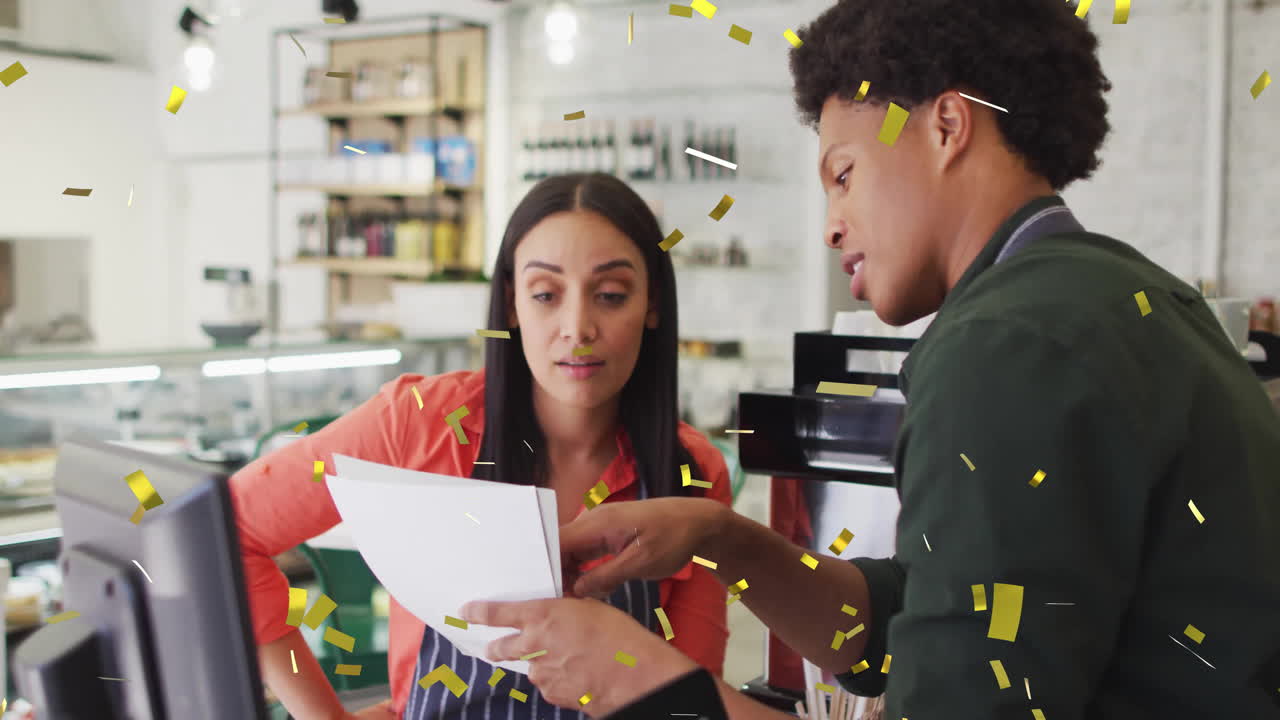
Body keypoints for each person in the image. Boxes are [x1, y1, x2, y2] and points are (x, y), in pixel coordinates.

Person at [459, 1, 1280, 718]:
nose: (831, 224)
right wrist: (725, 541)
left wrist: (646, 685)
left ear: (948, 126)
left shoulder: (1004, 344)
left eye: (844, 175)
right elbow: (939, 615)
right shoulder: (1126, 297)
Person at [230, 172, 734, 719]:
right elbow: (233, 531)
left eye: (611, 295)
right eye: (545, 295)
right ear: (512, 304)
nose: (577, 327)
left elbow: (694, 704)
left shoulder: (693, 474)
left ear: (652, 303)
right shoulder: (419, 424)